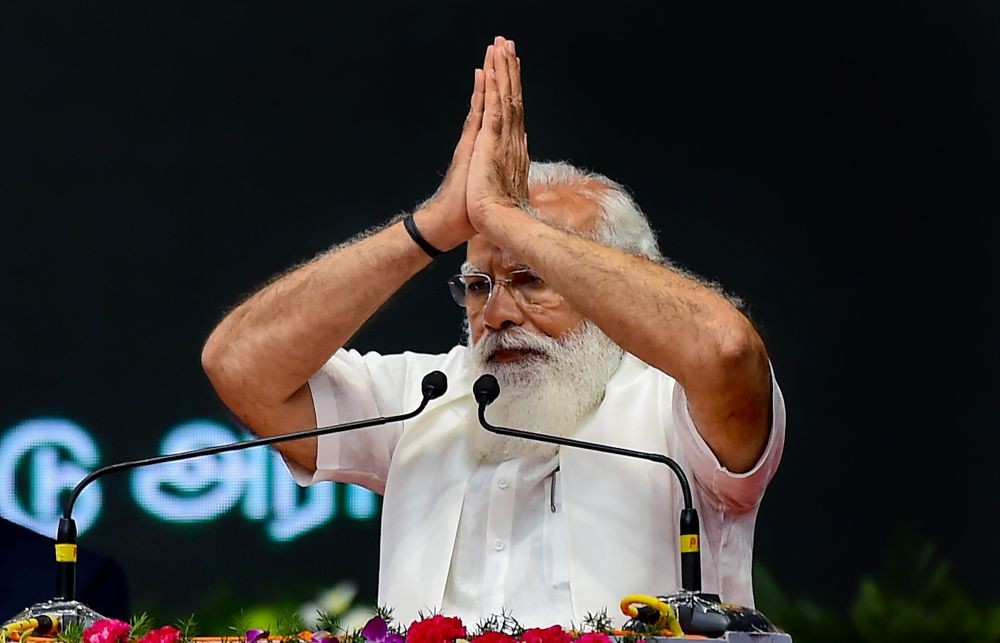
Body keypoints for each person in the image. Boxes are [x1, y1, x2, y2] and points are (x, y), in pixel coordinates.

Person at [202, 36, 784, 627]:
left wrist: (506, 217)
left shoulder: (670, 404)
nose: (496, 313)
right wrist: (434, 223)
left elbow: (727, 349)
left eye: (530, 278)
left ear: (611, 286)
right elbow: (240, 366)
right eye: (478, 285)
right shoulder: (428, 397)